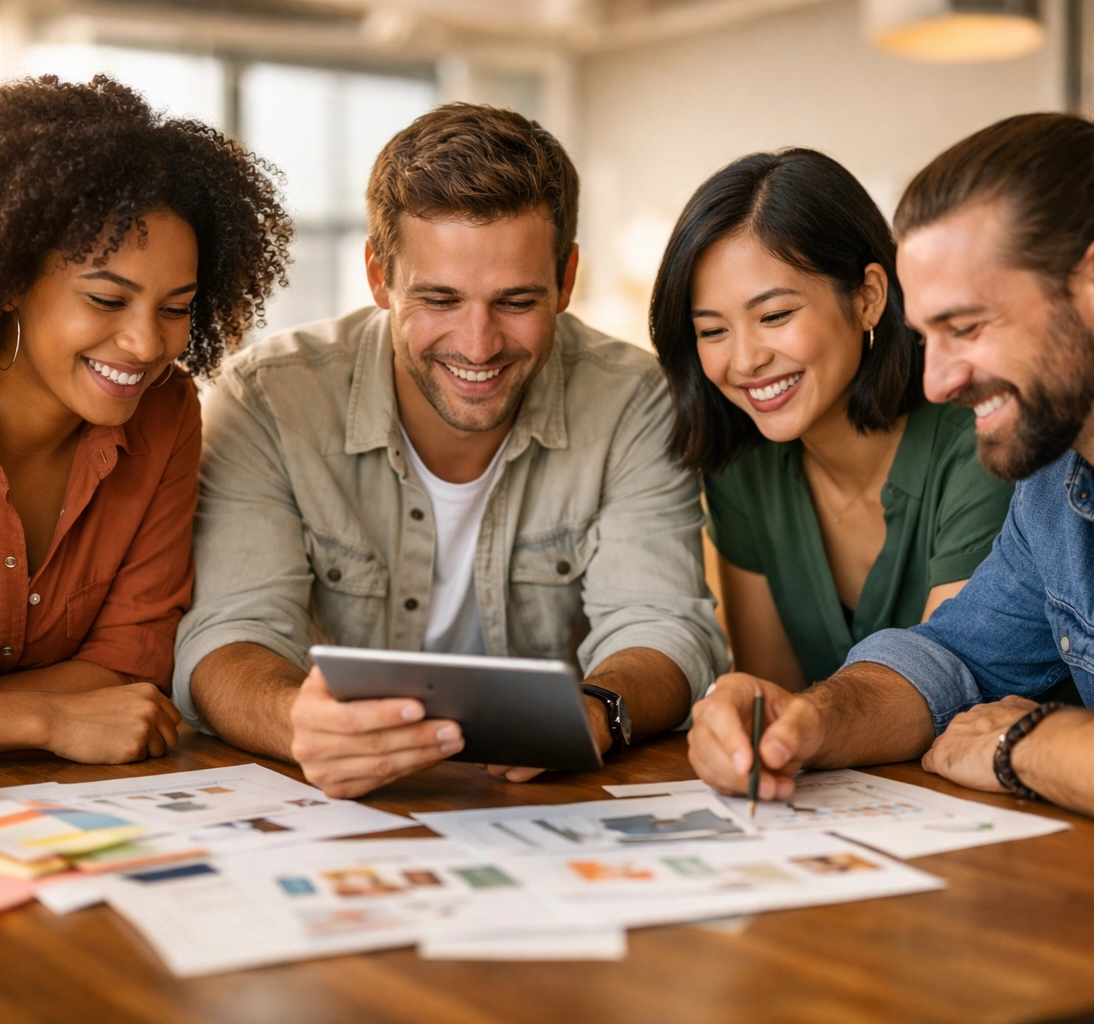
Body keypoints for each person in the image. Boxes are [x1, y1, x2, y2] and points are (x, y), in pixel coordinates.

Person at [687, 104, 1094, 857]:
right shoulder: (1065, 465)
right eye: (927, 336)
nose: (936, 383)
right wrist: (808, 720)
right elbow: (958, 658)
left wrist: (1023, 744)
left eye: (966, 329)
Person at [174, 103, 727, 798]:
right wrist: (296, 722)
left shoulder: (635, 401)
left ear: (566, 280)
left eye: (516, 301)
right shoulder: (267, 399)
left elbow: (663, 625)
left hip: (543, 804)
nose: (478, 345)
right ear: (379, 277)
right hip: (333, 811)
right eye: (439, 299)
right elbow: (230, 632)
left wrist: (596, 711)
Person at [0, 76, 292, 767]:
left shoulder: (164, 416)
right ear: (9, 277)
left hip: (55, 808)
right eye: (107, 299)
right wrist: (44, 718)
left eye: (174, 308)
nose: (145, 344)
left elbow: (130, 660)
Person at [650, 149, 1012, 691]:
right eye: (712, 330)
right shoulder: (742, 461)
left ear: (868, 298)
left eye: (774, 316)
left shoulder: (976, 440)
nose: (745, 360)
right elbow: (769, 702)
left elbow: (950, 691)